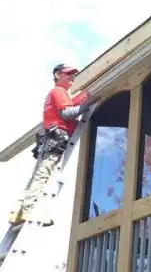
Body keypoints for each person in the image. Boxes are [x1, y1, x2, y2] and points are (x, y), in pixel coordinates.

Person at [9, 64, 100, 227]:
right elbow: (66, 113)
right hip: (57, 135)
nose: (72, 77)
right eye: (68, 74)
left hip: (49, 137)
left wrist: (83, 97)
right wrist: (87, 104)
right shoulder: (59, 91)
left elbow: (70, 105)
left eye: (73, 74)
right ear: (58, 75)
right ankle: (29, 210)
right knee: (44, 173)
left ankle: (18, 211)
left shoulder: (60, 94)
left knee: (38, 173)